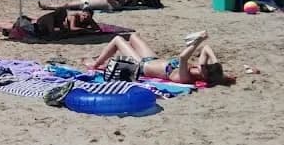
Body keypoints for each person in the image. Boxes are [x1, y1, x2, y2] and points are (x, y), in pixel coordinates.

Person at [85, 31, 235, 86]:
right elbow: (207, 50)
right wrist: (216, 62)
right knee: (133, 36)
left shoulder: (185, 77)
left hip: (141, 66)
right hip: (152, 59)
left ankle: (96, 63)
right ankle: (110, 59)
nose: (203, 66)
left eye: (205, 68)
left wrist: (197, 42)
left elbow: (183, 57)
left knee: (118, 40)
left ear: (205, 76)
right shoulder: (201, 69)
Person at [30, 8, 99, 38]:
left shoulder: (89, 19)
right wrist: (85, 30)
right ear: (81, 14)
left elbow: (97, 29)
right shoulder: (74, 17)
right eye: (83, 15)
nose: (85, 17)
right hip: (56, 24)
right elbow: (72, 28)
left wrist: (91, 23)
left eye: (87, 17)